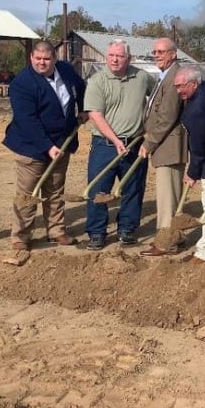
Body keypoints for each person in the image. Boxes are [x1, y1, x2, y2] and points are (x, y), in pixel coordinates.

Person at [3, 40, 87, 251]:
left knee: (55, 189)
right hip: (31, 147)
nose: (42, 63)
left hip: (62, 142)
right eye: (38, 58)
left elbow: (82, 86)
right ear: (31, 57)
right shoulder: (22, 83)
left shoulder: (66, 70)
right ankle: (21, 235)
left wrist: (83, 108)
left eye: (46, 59)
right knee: (28, 193)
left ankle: (56, 230)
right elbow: (27, 120)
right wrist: (47, 146)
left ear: (54, 59)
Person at [84, 39, 156, 250]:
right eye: (111, 56)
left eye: (120, 56)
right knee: (99, 189)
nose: (115, 60)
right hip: (105, 145)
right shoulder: (98, 80)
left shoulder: (141, 77)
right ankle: (97, 233)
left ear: (129, 58)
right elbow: (95, 115)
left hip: (134, 143)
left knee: (133, 187)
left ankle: (127, 229)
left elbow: (157, 98)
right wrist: (115, 140)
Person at [139, 38, 187, 256]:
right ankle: (175, 237)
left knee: (168, 197)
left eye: (161, 52)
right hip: (165, 145)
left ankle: (167, 242)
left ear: (173, 54)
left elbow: (167, 116)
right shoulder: (165, 76)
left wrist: (149, 143)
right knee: (171, 195)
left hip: (168, 145)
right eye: (155, 52)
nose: (156, 55)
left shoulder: (175, 76)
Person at [175, 66, 205, 262]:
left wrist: (193, 172)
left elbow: (199, 147)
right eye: (176, 87)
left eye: (181, 86)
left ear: (194, 84)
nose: (178, 91)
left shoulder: (196, 110)